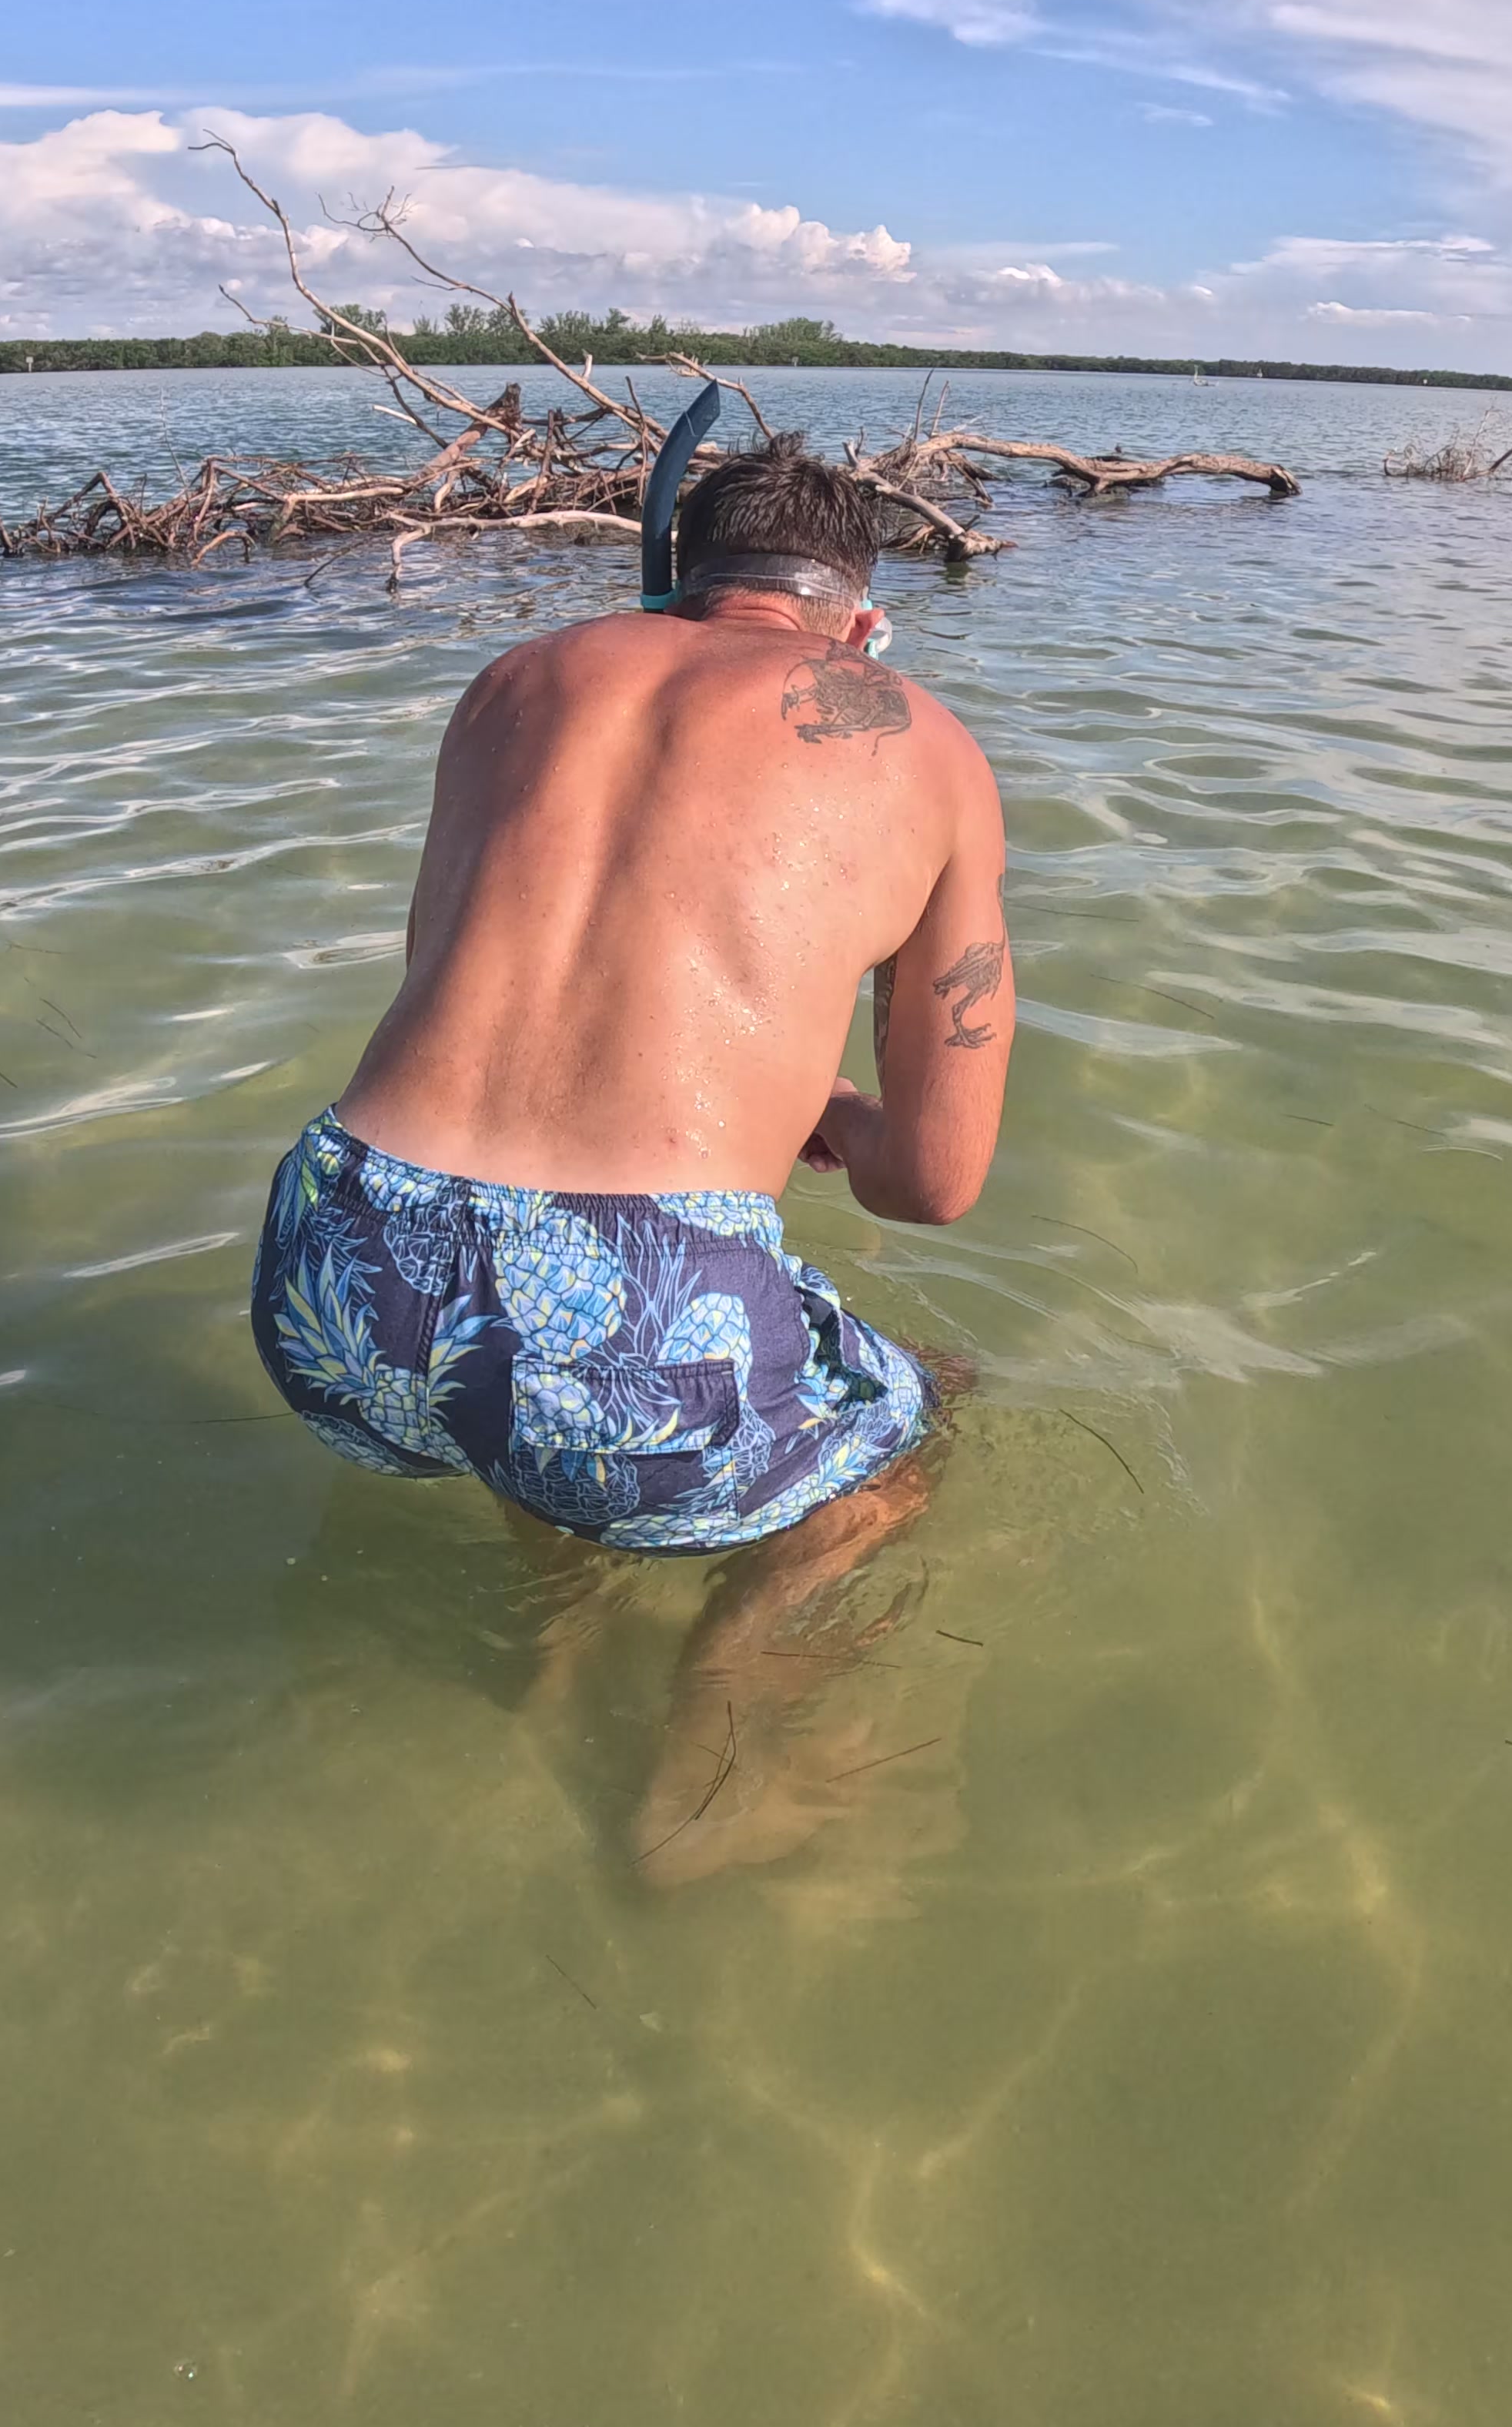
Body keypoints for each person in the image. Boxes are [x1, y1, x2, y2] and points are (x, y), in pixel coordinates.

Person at [249, 434, 1013, 1862]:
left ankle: (551, 1625)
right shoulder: (925, 745)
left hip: (338, 1262)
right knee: (919, 1428)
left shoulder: (512, 686)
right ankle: (723, 1729)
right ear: (860, 620)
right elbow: (934, 1187)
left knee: (513, 1345)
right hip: (631, 1325)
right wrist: (831, 1114)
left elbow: (462, 994)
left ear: (678, 585)